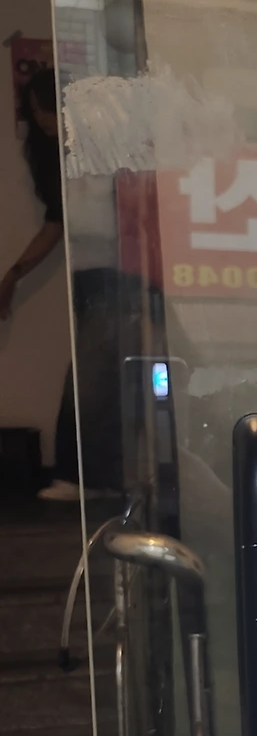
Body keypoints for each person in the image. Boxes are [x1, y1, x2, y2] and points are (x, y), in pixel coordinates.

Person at [0, 65, 120, 501]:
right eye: (35, 111)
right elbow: (56, 225)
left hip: (114, 273)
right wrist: (14, 275)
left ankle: (86, 477)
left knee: (96, 379)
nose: (41, 119)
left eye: (44, 108)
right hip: (93, 275)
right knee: (99, 378)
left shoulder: (99, 151)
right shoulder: (65, 160)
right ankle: (92, 478)